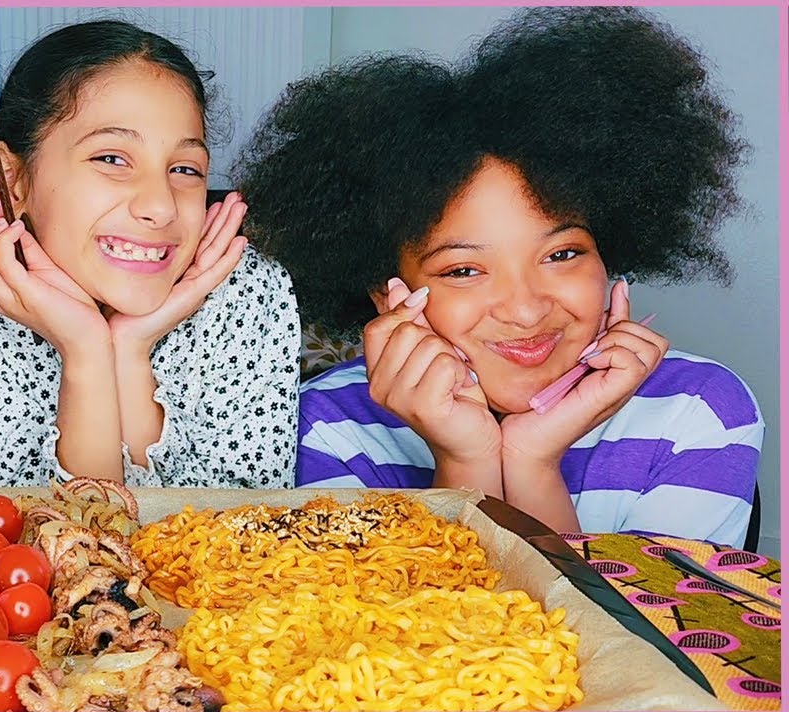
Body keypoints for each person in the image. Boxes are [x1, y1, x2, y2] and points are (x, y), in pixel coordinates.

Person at [235, 7, 762, 545]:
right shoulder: (328, 427)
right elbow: (406, 629)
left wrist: (533, 463)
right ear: (386, 293)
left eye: (561, 254)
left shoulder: (698, 412)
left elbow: (649, 632)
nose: (526, 310)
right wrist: (466, 461)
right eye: (464, 270)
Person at [0, 20, 300, 489]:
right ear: (11, 180)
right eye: (112, 159)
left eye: (184, 168)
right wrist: (87, 352)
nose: (160, 206)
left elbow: (242, 531)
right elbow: (50, 534)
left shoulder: (251, 293)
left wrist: (131, 352)